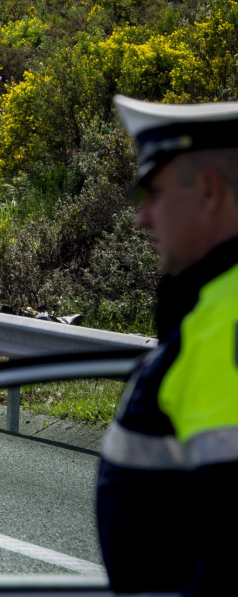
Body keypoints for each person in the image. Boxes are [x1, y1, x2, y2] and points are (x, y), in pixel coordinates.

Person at [96, 95, 238, 595]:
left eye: (152, 193)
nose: (142, 218)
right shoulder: (213, 306)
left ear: (208, 191)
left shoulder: (228, 321)